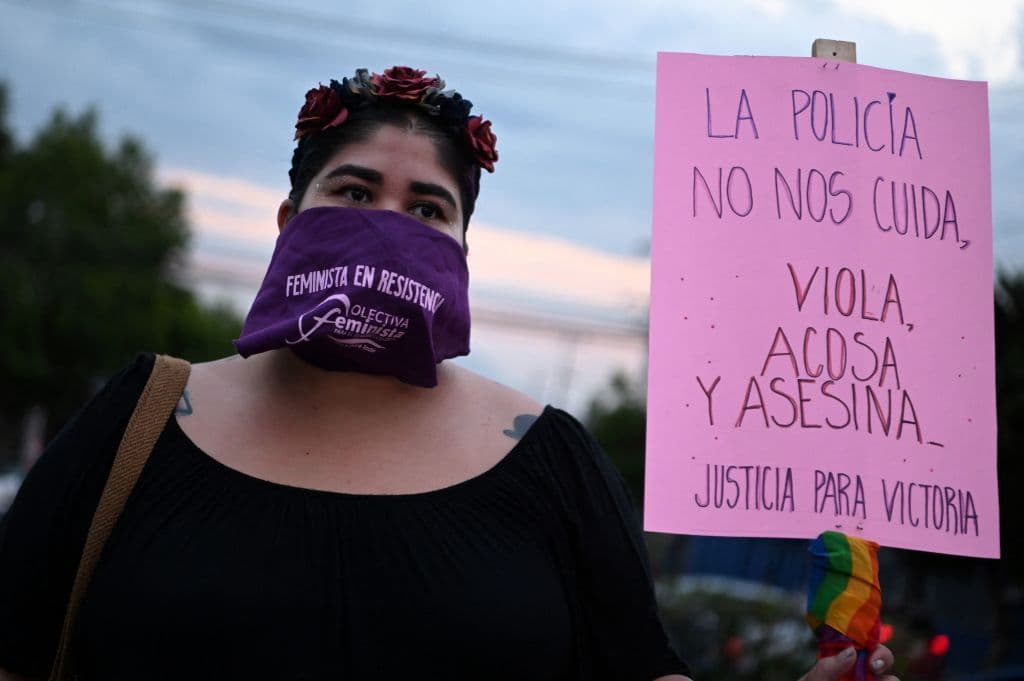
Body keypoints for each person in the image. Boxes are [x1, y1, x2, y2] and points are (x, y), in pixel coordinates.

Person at [0, 67, 899, 681]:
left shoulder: (550, 456)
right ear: (286, 221)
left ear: (461, 252)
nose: (388, 224)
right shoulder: (144, 417)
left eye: (427, 207)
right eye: (353, 194)